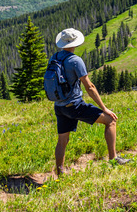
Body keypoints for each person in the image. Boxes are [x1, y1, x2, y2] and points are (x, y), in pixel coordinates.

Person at [51, 28, 131, 175]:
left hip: (59, 106)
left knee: (62, 141)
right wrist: (104, 108)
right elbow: (90, 87)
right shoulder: (75, 60)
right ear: (75, 43)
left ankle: (60, 174)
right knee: (110, 121)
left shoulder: (54, 58)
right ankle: (113, 159)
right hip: (74, 105)